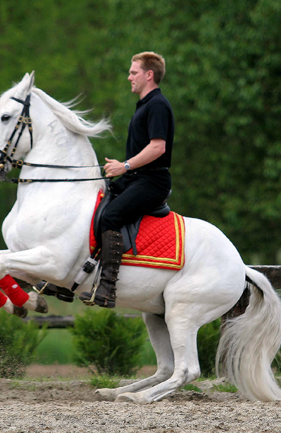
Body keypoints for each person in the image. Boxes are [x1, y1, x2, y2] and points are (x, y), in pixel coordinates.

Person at [80, 51, 175, 308]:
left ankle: (108, 288)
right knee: (95, 201)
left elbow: (158, 148)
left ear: (149, 75)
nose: (129, 77)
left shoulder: (157, 105)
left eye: (133, 72)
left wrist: (124, 166)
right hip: (136, 178)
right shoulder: (145, 105)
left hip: (152, 182)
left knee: (111, 216)